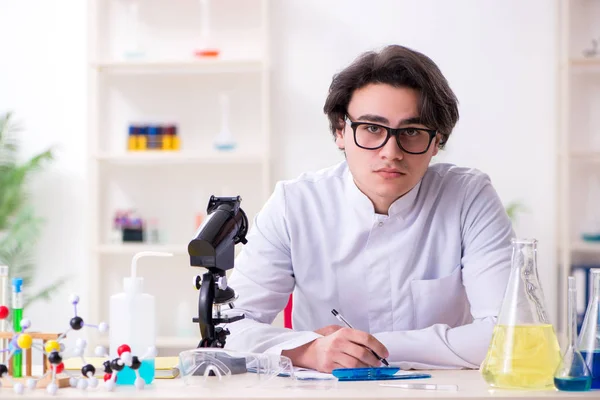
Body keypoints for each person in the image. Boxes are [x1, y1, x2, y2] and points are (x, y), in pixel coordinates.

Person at [224, 44, 514, 372]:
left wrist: (365, 349)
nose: (391, 151)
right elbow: (227, 330)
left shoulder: (468, 197)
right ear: (340, 132)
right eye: (372, 128)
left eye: (412, 132)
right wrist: (308, 352)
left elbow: (508, 334)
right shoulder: (295, 205)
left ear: (437, 142)